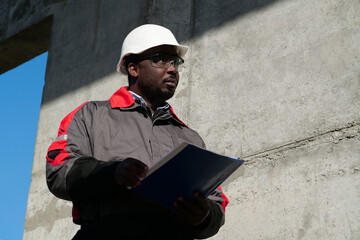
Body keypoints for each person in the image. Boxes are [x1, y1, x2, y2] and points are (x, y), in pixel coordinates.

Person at [46, 24, 228, 240]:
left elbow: (217, 202)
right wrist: (113, 173)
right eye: (160, 59)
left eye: (175, 62)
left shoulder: (190, 138)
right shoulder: (90, 115)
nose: (172, 69)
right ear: (133, 68)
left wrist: (204, 215)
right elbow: (59, 170)